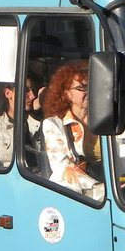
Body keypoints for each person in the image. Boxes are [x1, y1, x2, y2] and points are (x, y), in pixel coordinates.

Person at [40, 62, 104, 200]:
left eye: (91, 87)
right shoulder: (53, 124)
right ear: (67, 94)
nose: (89, 92)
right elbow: (63, 168)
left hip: (112, 192)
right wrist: (101, 188)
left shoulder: (106, 120)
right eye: (82, 87)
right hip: (74, 197)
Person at [0, 79, 40, 167]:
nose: (32, 96)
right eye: (25, 90)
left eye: (33, 91)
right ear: (8, 94)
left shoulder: (40, 124)